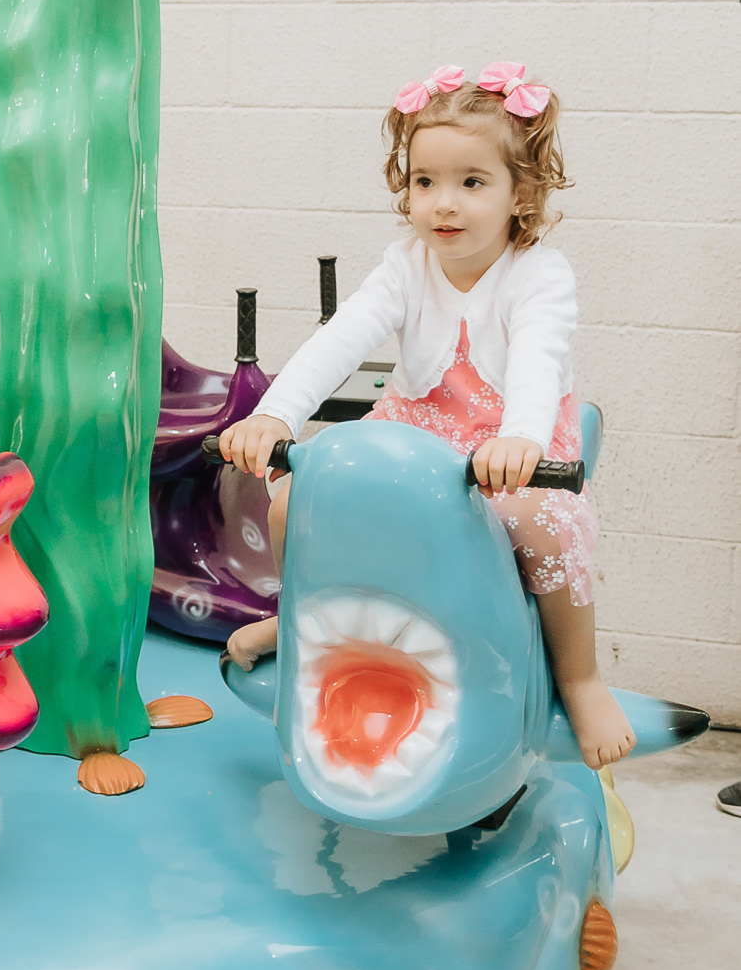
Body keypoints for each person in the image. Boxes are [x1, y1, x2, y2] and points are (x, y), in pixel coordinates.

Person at [218, 61, 635, 773]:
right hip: (417, 425)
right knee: (295, 502)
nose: (444, 204)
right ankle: (302, 620)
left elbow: (538, 360)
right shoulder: (404, 266)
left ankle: (581, 676)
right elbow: (340, 338)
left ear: (520, 193)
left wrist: (521, 438)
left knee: (541, 521)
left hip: (509, 440)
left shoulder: (540, 275)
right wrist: (276, 414)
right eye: (423, 182)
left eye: (471, 183)